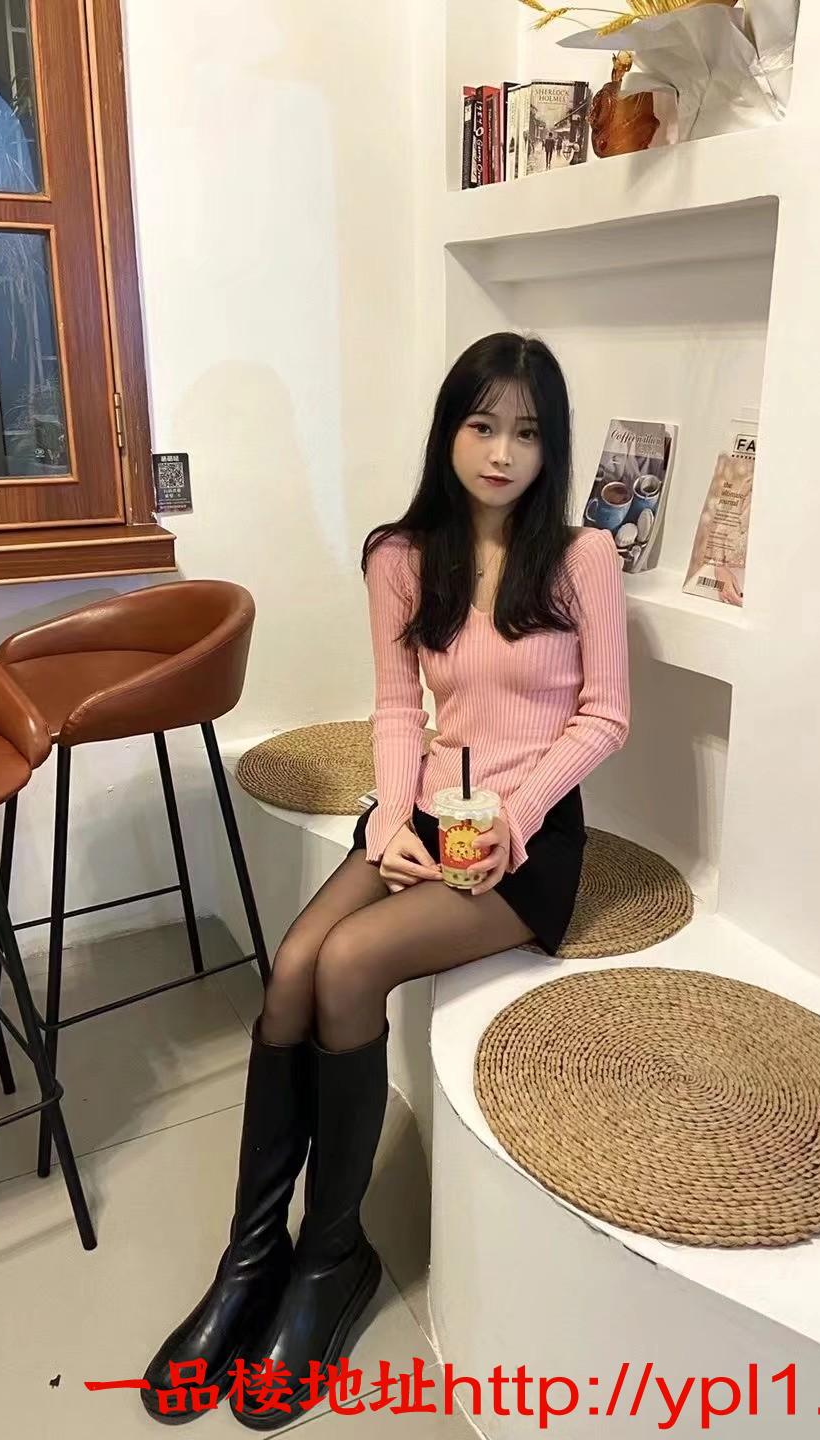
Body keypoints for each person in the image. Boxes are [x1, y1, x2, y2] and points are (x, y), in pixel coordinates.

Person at [141, 331, 631, 1428]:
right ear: (449, 429)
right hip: (424, 812)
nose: (501, 453)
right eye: (482, 425)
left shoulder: (583, 558)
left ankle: (330, 1259)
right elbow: (400, 704)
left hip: (527, 840)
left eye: (527, 432)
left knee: (350, 965)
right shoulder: (401, 554)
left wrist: (513, 819)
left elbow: (605, 717)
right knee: (292, 968)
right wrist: (396, 819)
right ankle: (250, 1261)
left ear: (551, 446)